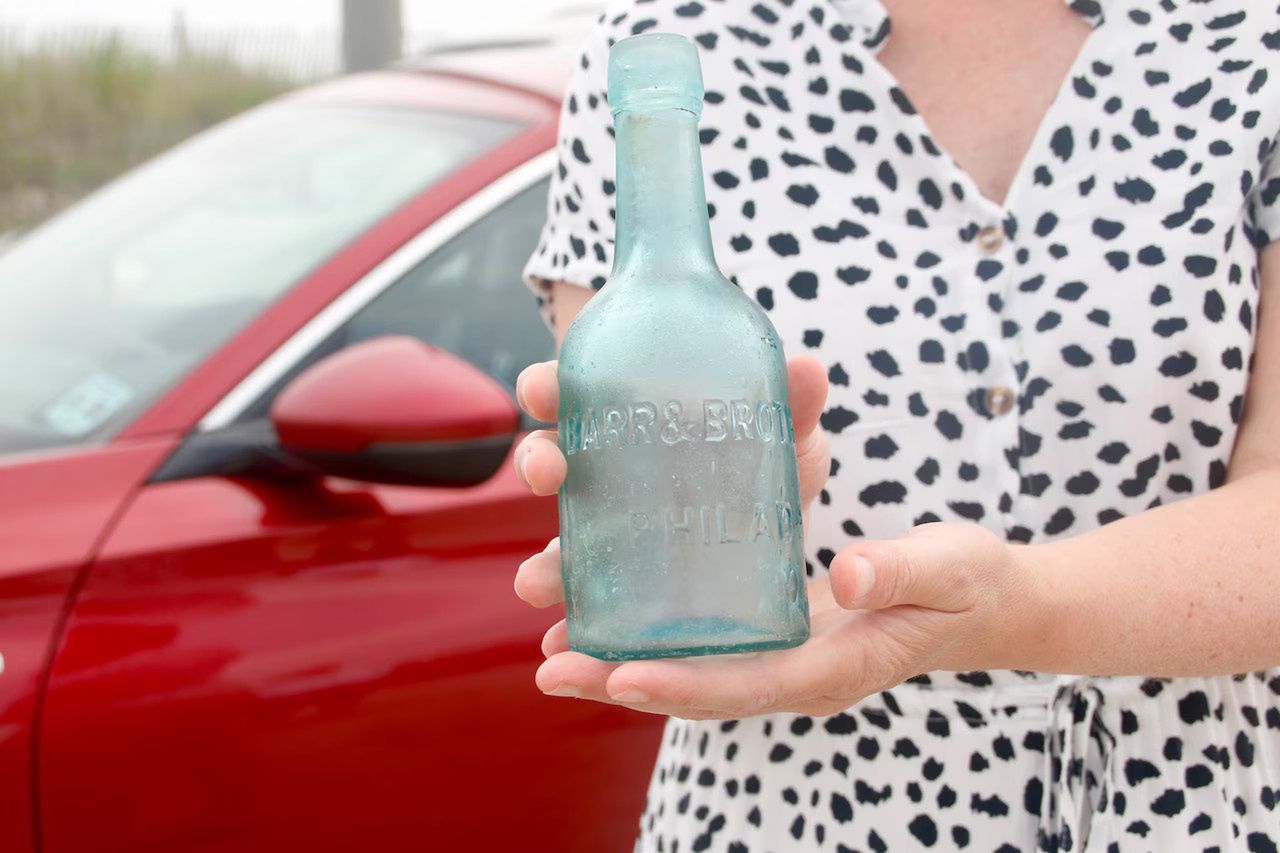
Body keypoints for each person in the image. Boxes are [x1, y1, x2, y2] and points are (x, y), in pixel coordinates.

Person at [512, 0, 1280, 849]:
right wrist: (723, 488)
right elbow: (630, 430)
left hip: (1189, 802)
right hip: (783, 813)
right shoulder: (665, 37)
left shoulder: (1250, 34)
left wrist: (1010, 607)